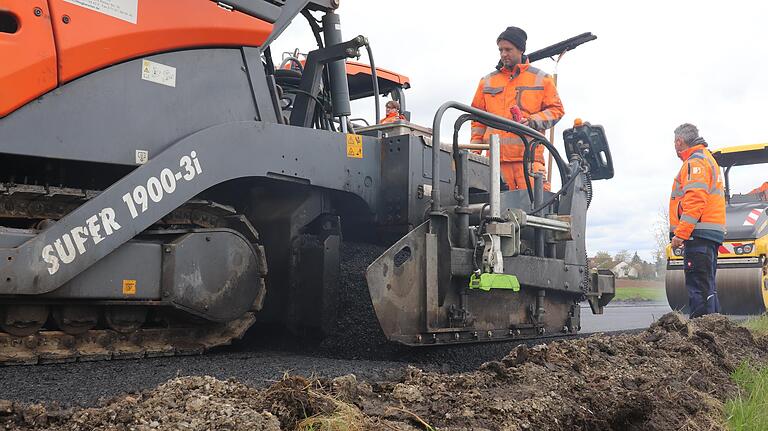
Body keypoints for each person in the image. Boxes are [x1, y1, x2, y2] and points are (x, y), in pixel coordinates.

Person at [470, 26, 564, 191]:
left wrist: (532, 121)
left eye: (508, 49)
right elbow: (477, 122)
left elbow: (556, 110)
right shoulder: (487, 82)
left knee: (534, 210)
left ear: (520, 49)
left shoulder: (542, 79)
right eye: (500, 50)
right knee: (493, 213)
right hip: (495, 163)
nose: (504, 54)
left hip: (529, 162)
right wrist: (473, 155)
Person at [669, 123, 726, 318]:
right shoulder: (707, 159)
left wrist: (681, 234)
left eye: (674, 142)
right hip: (709, 234)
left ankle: (702, 333)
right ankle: (715, 330)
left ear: (679, 141)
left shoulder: (695, 163)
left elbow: (694, 201)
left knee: (699, 288)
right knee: (707, 286)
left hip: (698, 234)